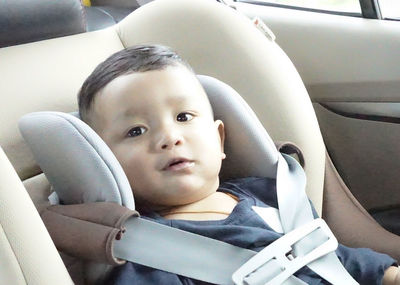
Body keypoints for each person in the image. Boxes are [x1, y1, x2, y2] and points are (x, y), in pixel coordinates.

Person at [78, 44, 399, 284]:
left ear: (219, 140)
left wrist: (388, 275)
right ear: (108, 163)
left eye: (183, 117)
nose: (169, 137)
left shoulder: (271, 195)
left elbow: (332, 259)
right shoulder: (144, 257)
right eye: (136, 131)